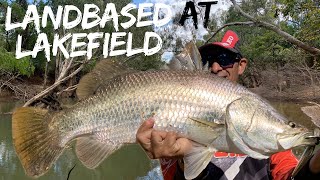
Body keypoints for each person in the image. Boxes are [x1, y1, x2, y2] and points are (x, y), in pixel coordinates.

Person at [136, 30, 320, 180]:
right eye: (208, 60)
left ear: (241, 65)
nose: (215, 68)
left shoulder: (267, 134)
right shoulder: (174, 115)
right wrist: (184, 161)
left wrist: (317, 162)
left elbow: (290, 175)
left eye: (224, 58)